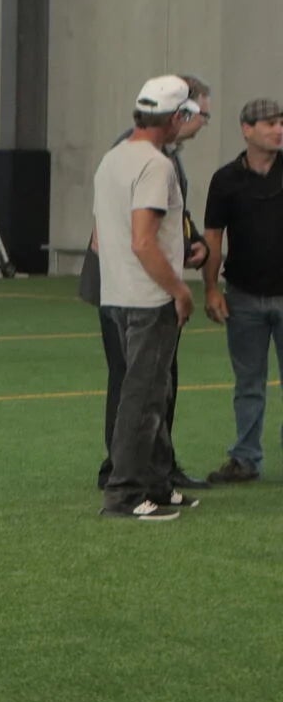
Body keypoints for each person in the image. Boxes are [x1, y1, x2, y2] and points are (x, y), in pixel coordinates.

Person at [86, 75, 213, 491]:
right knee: (144, 397)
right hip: (147, 298)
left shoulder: (113, 159)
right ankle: (127, 489)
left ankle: (157, 482)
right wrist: (179, 289)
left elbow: (104, 238)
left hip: (116, 295)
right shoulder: (156, 164)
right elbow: (143, 241)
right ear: (179, 115)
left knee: (143, 393)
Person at [201, 97, 283, 484]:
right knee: (248, 383)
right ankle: (246, 459)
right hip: (244, 296)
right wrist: (211, 289)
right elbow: (213, 237)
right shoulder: (225, 180)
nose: (278, 129)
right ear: (246, 129)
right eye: (269, 123)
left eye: (281, 122)